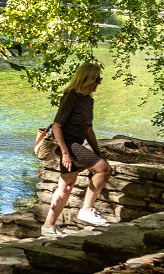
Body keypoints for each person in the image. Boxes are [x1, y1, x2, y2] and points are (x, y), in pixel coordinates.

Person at [40, 62, 114, 237]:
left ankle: (48, 227)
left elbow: (88, 128)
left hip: (77, 144)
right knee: (104, 170)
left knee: (66, 186)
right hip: (68, 145)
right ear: (87, 79)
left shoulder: (88, 101)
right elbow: (57, 126)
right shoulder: (70, 97)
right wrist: (65, 152)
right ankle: (86, 209)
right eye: (97, 80)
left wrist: (97, 151)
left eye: (99, 80)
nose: (98, 84)